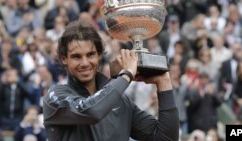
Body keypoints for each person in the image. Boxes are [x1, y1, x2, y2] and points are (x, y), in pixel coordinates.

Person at [42, 21, 179, 141]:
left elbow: (165, 138)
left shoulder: (120, 101)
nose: (84, 63)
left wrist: (164, 83)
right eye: (76, 57)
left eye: (90, 55)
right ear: (64, 59)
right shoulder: (55, 98)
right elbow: (92, 111)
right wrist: (126, 74)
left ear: (99, 55)